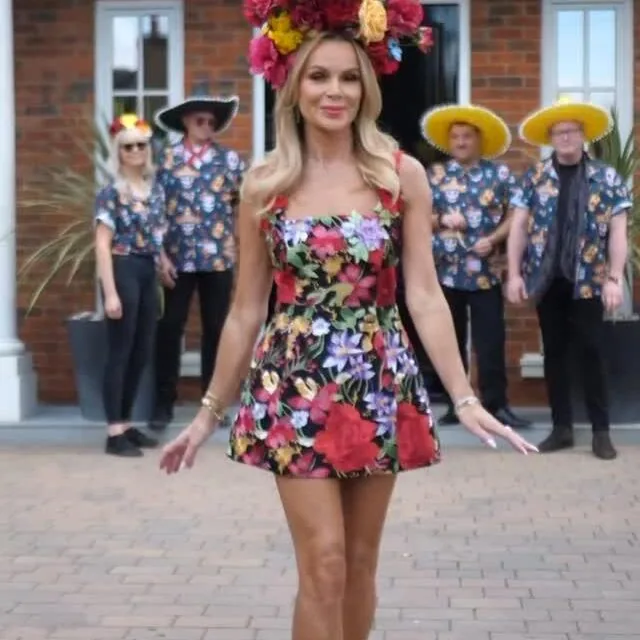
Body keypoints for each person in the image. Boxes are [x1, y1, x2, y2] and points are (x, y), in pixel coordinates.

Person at [160, 2, 537, 638]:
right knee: (325, 563)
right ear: (293, 86)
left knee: (360, 564)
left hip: (378, 380)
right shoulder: (265, 184)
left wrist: (466, 397)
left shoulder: (400, 174)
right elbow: (246, 308)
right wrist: (207, 413)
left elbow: (424, 294)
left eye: (348, 77)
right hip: (294, 385)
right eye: (319, 76)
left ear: (366, 89)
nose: (334, 91)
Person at [507, 97, 630, 461]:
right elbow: (518, 227)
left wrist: (614, 278)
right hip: (547, 279)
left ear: (583, 135)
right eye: (559, 132)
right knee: (555, 354)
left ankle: (601, 432)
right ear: (550, 137)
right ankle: (561, 428)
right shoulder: (535, 176)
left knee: (592, 351)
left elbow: (618, 231)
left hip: (589, 279)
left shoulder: (606, 177)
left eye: (572, 131)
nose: (565, 137)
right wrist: (514, 274)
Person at [421, 104, 531, 429]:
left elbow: (517, 214)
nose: (461, 142)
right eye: (455, 137)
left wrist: (494, 238)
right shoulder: (435, 176)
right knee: (450, 342)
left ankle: (497, 406)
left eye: (467, 136)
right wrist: (442, 218)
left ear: (479, 140)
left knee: (490, 342)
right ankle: (456, 405)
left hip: (485, 274)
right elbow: (417, 216)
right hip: (445, 272)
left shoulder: (499, 175)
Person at [149, 96, 245, 431]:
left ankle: (212, 406)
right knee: (169, 328)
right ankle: (163, 404)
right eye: (201, 121)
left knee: (216, 331)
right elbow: (154, 209)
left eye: (212, 122)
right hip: (176, 259)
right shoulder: (166, 159)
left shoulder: (229, 160)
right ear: (186, 123)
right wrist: (160, 256)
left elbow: (242, 206)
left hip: (217, 258)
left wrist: (239, 245)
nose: (207, 127)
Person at [94, 114, 167, 457]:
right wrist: (110, 293)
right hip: (122, 268)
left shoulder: (156, 191)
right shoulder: (111, 193)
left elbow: (155, 236)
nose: (136, 150)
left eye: (140, 144)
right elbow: (101, 245)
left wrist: (163, 261)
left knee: (141, 351)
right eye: (128, 146)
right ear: (119, 152)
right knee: (120, 351)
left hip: (147, 270)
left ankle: (125, 424)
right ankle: (113, 433)